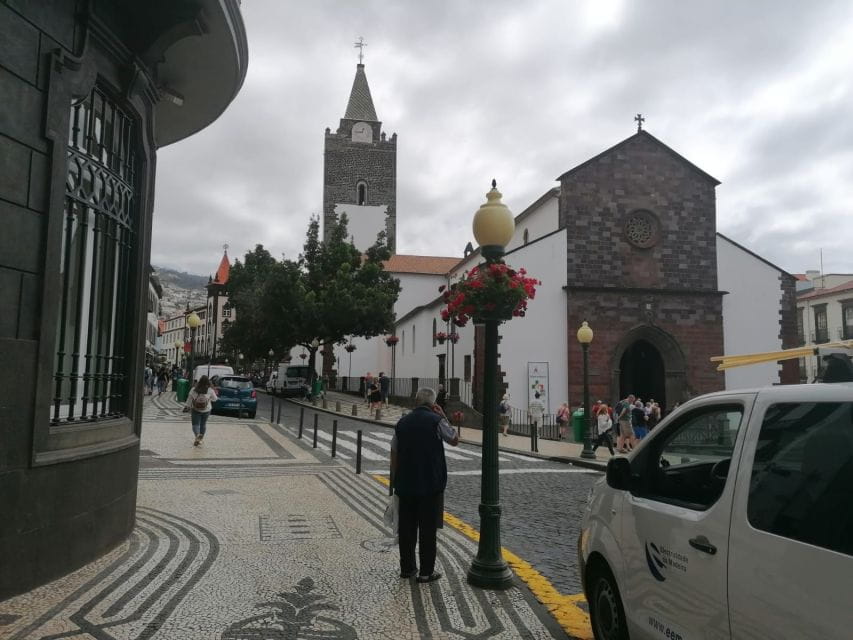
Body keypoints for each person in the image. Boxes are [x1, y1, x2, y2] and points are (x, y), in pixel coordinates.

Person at [390, 387, 459, 583]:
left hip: (405, 484)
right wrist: (443, 415)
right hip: (430, 484)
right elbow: (454, 439)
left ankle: (407, 568)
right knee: (427, 529)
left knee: (406, 528)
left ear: (416, 401)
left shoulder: (402, 422)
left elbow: (394, 452)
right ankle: (426, 572)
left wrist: (395, 480)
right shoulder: (436, 421)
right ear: (433, 404)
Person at [184, 375, 218, 446]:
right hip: (207, 410)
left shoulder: (194, 389)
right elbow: (215, 399)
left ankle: (197, 436)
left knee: (195, 425)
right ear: (208, 382)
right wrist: (209, 398)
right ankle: (200, 439)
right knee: (203, 424)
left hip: (195, 409)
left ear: (199, 381)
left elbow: (189, 398)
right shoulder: (210, 390)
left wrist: (187, 406)